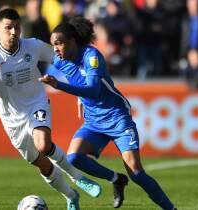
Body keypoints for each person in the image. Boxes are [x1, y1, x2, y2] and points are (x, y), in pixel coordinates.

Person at [0, 8, 101, 210]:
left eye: (17, 28)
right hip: (11, 119)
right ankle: (71, 196)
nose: (13, 32)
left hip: (36, 104)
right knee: (43, 164)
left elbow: (62, 59)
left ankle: (78, 177)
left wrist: (81, 89)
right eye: (8, 28)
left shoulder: (33, 46)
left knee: (43, 144)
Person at [39, 17, 177, 210]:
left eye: (59, 43)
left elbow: (94, 90)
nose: (55, 49)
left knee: (136, 173)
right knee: (74, 157)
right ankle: (116, 179)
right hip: (93, 120)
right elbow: (75, 79)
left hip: (116, 116)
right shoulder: (60, 61)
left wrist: (59, 85)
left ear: (72, 42)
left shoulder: (91, 56)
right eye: (53, 44)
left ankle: (171, 209)